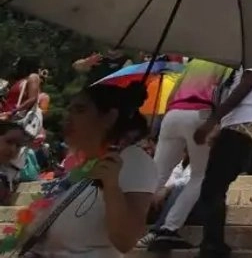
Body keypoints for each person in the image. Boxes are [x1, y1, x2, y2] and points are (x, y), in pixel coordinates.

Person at [9, 84, 156, 258]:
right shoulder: (84, 165)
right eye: (69, 110)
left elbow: (125, 241)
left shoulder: (132, 160)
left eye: (80, 110)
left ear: (109, 117)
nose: (68, 118)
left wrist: (111, 187)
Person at [139, 58, 230, 249]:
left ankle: (127, 220)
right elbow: (223, 92)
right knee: (200, 176)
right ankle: (169, 228)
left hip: (173, 114)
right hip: (199, 113)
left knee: (156, 174)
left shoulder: (194, 61)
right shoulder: (225, 60)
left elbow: (172, 94)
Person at [186, 66, 252, 258]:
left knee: (212, 188)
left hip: (243, 121)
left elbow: (245, 86)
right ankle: (214, 243)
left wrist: (212, 121)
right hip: (245, 123)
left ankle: (213, 246)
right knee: (216, 186)